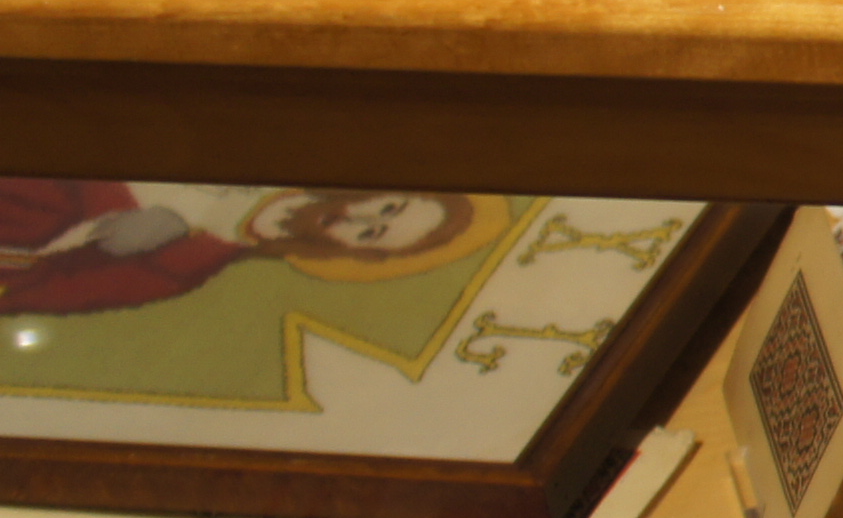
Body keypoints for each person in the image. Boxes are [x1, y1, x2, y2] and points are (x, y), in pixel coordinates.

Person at [0, 179, 488, 318]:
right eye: (387, 207)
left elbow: (33, 288)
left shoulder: (180, 266)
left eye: (371, 234)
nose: (357, 219)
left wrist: (89, 228)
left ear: (348, 252)